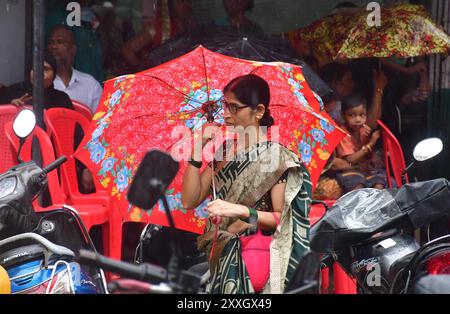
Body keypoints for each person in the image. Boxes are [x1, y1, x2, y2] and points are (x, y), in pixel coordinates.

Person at [181, 74, 312, 294]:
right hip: (219, 255)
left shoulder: (276, 157)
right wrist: (198, 146)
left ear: (258, 111)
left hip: (254, 259)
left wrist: (241, 211)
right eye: (224, 105)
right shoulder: (224, 152)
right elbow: (189, 199)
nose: (225, 114)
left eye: (234, 107)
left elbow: (282, 219)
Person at [121, 0, 195, 72]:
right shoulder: (157, 27)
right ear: (170, 4)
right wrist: (143, 71)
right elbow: (127, 49)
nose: (185, 4)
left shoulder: (190, 26)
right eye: (180, 1)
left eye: (188, 1)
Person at [333, 94, 386, 193]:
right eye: (352, 115)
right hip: (349, 171)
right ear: (343, 115)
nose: (358, 120)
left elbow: (369, 155)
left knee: (379, 184)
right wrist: (371, 143)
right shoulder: (342, 133)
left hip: (365, 170)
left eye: (362, 115)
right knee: (358, 186)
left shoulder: (363, 130)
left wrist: (373, 154)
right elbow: (350, 160)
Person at [48, 25, 103, 114]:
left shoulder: (90, 84)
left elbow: (101, 122)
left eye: (60, 42)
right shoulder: (43, 82)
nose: (54, 46)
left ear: (73, 49)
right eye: (51, 42)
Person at [0, 54, 73, 110]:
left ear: (54, 75)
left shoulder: (62, 99)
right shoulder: (13, 91)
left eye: (45, 69)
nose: (40, 73)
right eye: (36, 68)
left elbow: (74, 126)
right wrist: (10, 107)